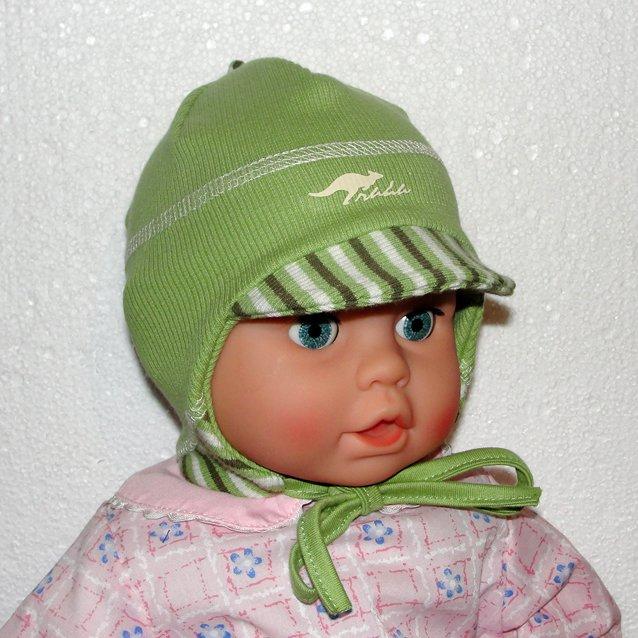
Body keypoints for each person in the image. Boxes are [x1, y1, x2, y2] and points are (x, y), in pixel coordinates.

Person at [0, 56, 621, 636]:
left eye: (418, 323)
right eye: (317, 329)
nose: (388, 367)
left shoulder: (481, 524)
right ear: (194, 359)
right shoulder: (139, 558)